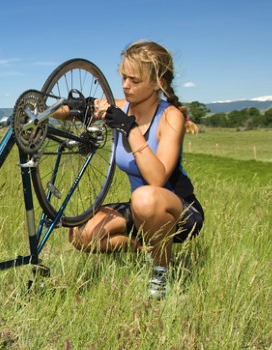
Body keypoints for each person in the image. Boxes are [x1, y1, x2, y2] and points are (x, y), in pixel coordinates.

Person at [68, 40, 204, 299]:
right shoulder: (121, 106)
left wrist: (129, 128)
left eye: (134, 80)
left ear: (157, 84)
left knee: (144, 196)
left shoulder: (170, 116)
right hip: (141, 209)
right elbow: (73, 110)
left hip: (180, 210)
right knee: (79, 233)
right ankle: (146, 247)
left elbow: (157, 178)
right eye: (123, 77)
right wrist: (66, 108)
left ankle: (161, 272)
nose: (125, 85)